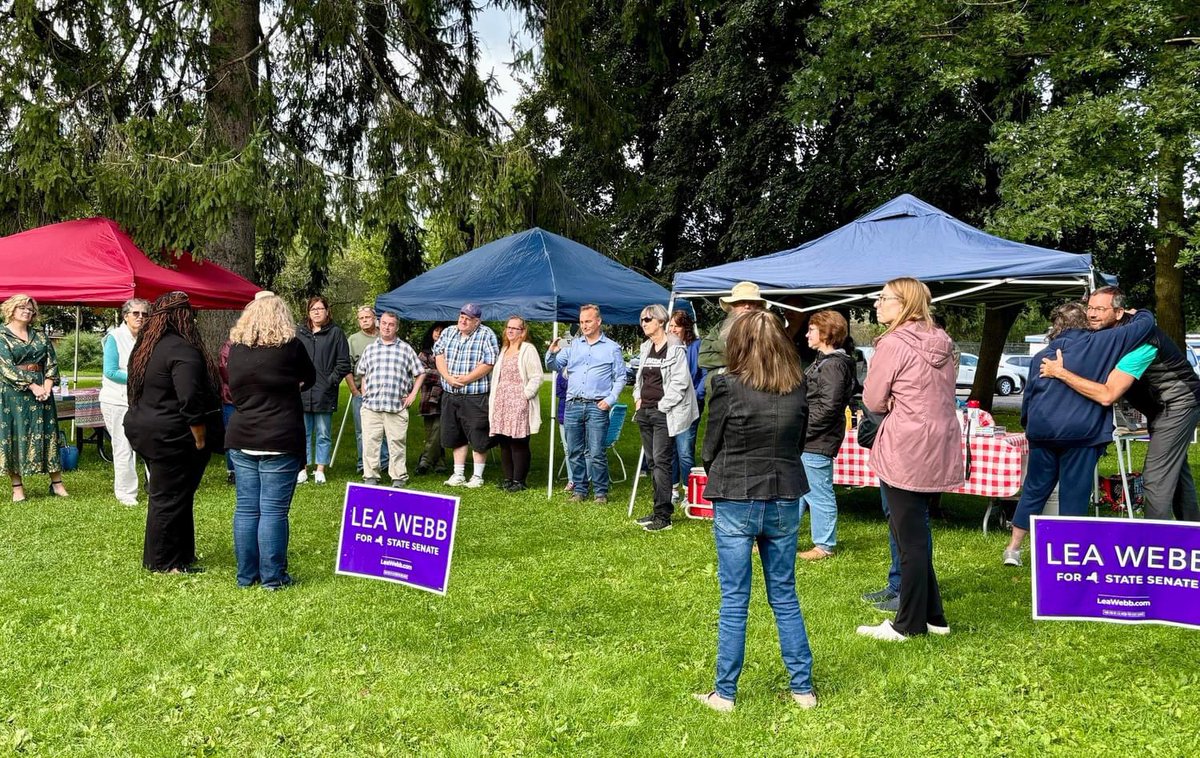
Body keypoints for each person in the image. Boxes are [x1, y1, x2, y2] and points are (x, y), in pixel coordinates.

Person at [694, 310, 816, 712]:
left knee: (735, 599)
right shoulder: (798, 389)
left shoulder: (726, 385)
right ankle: (803, 689)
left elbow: (710, 446)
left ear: (738, 344)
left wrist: (722, 474)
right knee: (784, 595)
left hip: (737, 495)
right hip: (783, 494)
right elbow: (797, 443)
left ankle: (725, 694)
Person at [1003, 301, 1157, 564]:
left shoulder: (1042, 356)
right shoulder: (1100, 345)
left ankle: (1013, 549)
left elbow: (1028, 399)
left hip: (1042, 432)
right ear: (1085, 321)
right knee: (1074, 493)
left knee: (1034, 489)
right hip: (1081, 434)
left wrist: (1031, 428)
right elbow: (1145, 326)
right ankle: (1066, 553)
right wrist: (1138, 312)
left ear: (1056, 326)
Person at [855, 278, 962, 642]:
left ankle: (907, 623)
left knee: (908, 537)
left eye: (883, 298)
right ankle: (934, 617)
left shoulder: (893, 343)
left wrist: (892, 408)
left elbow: (872, 400)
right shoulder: (942, 341)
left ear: (905, 304)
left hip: (905, 441)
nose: (876, 304)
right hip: (939, 439)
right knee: (914, 529)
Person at [1039, 286, 1200, 522]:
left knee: (1156, 478)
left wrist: (1061, 373)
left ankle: (1153, 544)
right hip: (1160, 407)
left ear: (1118, 312)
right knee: (1175, 474)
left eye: (1100, 309)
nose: (1092, 314)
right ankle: (1192, 534)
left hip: (1178, 404)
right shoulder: (1115, 332)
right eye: (1090, 308)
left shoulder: (1141, 342)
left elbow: (1107, 395)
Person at [124, 291, 222, 574]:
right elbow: (189, 398)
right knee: (168, 497)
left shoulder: (146, 346)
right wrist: (200, 436)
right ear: (184, 317)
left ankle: (181, 555)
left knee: (175, 494)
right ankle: (163, 562)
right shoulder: (183, 351)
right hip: (171, 434)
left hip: (145, 427)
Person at [225, 294, 316, 589]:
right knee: (274, 511)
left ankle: (245, 575)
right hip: (279, 435)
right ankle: (273, 578)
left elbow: (233, 389)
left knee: (247, 509)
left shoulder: (236, 350)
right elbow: (310, 378)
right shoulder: (291, 348)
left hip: (242, 433)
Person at [545, 304, 627, 504]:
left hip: (597, 406)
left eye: (588, 321)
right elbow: (553, 366)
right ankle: (580, 490)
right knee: (574, 450)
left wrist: (610, 400)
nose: (584, 325)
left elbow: (621, 378)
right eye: (581, 322)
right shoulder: (573, 347)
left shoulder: (612, 348)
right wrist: (551, 353)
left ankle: (600, 493)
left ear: (598, 321)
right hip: (573, 405)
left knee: (597, 452)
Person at [632, 304, 699, 531]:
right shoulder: (645, 348)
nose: (644, 323)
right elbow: (639, 378)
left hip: (664, 413)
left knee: (661, 462)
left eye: (648, 319)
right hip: (645, 411)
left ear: (661, 321)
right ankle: (657, 509)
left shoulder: (675, 347)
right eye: (642, 320)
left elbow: (680, 381)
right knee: (652, 463)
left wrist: (663, 405)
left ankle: (664, 516)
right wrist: (637, 398)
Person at [797, 310, 856, 561]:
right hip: (809, 438)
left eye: (812, 329)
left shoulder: (834, 365)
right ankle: (781, 537)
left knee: (818, 492)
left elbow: (828, 407)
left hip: (817, 440)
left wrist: (803, 431)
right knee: (797, 491)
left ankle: (824, 545)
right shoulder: (824, 360)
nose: (807, 333)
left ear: (826, 333)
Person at [0, 294, 68, 502]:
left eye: (30, 309)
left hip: (42, 391)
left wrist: (47, 385)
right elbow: (4, 367)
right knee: (15, 434)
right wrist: (32, 386)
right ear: (11, 309)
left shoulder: (39, 335)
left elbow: (51, 362)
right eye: (22, 307)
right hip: (14, 393)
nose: (27, 311)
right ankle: (17, 487)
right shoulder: (2, 335)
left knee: (48, 432)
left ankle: (56, 483)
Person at [357, 312, 426, 487]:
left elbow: (420, 373)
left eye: (391, 324)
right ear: (379, 324)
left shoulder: (405, 349)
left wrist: (412, 395)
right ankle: (371, 475)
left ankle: (398, 476)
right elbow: (363, 373)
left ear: (397, 327)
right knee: (370, 442)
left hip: (396, 406)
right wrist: (364, 392)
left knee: (396, 443)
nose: (387, 327)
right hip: (372, 406)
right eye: (385, 323)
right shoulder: (371, 349)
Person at [434, 303, 498, 488]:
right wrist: (447, 377)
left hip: (475, 395)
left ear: (477, 321)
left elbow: (489, 362)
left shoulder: (486, 334)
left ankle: (477, 476)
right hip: (451, 393)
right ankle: (458, 473)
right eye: (462, 315)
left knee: (478, 434)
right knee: (456, 434)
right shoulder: (448, 332)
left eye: (468, 318)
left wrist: (466, 379)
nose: (463, 320)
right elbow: (438, 354)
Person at [296, 295, 355, 485]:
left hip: (324, 391)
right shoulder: (300, 332)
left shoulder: (336, 333)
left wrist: (331, 381)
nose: (316, 312)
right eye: (313, 309)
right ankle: (303, 468)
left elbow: (344, 362)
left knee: (323, 432)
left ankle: (320, 468)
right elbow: (291, 358)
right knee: (303, 432)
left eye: (320, 309)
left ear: (327, 311)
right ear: (308, 312)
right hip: (302, 391)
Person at [100, 297, 149, 505]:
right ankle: (126, 494)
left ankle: (156, 487)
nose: (140, 317)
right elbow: (110, 371)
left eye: (145, 314)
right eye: (136, 313)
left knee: (149, 444)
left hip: (144, 400)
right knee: (123, 446)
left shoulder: (149, 337)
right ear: (125, 316)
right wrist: (142, 378)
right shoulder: (114, 337)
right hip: (117, 400)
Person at [488, 315, 545, 492]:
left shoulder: (527, 349)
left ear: (523, 331)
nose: (511, 331)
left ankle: (519, 480)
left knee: (518, 441)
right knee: (504, 440)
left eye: (515, 328)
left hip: (519, 400)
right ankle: (508, 478)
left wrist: (525, 395)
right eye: (508, 327)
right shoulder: (504, 349)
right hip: (502, 401)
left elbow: (537, 376)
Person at [698, 281, 767, 393]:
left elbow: (766, 360)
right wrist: (743, 359)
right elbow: (703, 359)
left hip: (757, 393)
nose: (747, 306)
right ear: (733, 306)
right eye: (741, 302)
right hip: (723, 396)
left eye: (752, 302)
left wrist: (720, 348)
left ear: (758, 307)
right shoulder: (719, 328)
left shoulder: (767, 329)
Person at [668, 309, 706, 496]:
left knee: (684, 450)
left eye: (677, 325)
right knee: (672, 449)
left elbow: (705, 375)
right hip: (671, 404)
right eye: (671, 326)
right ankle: (674, 488)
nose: (673, 329)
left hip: (690, 405)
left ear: (686, 328)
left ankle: (689, 491)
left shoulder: (697, 346)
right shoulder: (668, 346)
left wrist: (697, 396)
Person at [348, 306, 386, 475]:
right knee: (362, 431)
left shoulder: (384, 337)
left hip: (383, 393)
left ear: (375, 318)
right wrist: (354, 391)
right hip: (361, 394)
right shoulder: (353, 340)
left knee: (384, 430)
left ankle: (384, 462)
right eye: (361, 318)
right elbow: (346, 368)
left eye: (367, 317)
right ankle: (363, 464)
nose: (364, 320)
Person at [415, 323, 451, 475]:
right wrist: (443, 374)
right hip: (427, 399)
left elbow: (452, 373)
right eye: (436, 330)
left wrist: (438, 373)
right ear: (431, 333)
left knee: (438, 429)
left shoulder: (450, 352)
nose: (438, 333)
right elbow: (421, 374)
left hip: (444, 397)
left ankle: (425, 460)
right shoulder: (424, 354)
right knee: (431, 432)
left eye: (442, 331)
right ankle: (439, 461)